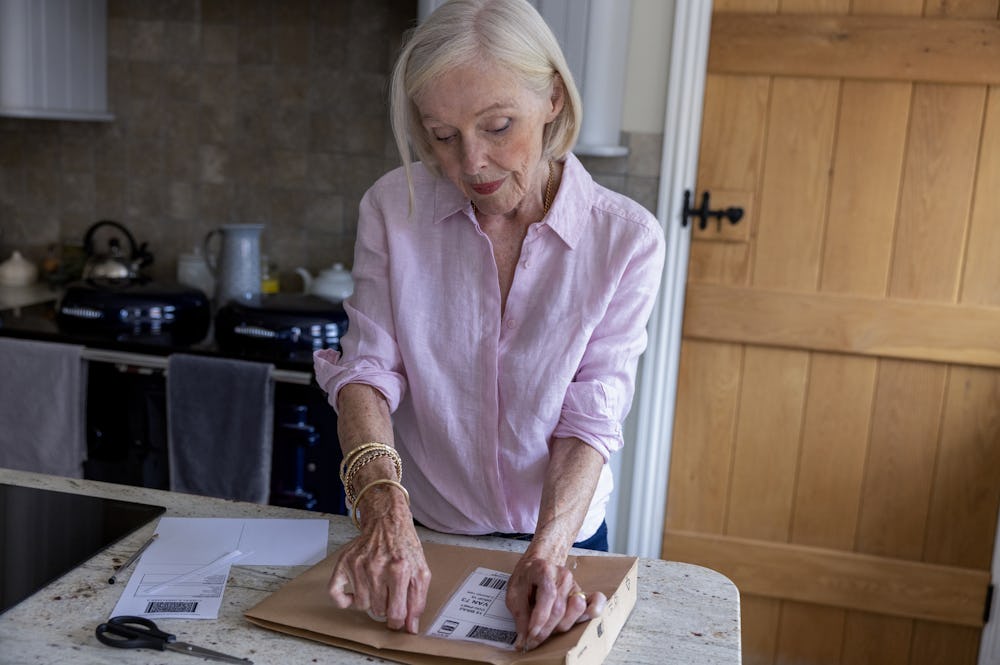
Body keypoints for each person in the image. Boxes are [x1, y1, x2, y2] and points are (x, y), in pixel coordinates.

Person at [314, 0, 665, 652]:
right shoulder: (393, 208)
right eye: (442, 135)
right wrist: (385, 511)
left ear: (553, 98)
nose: (470, 162)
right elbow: (365, 370)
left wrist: (549, 552)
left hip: (566, 537)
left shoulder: (625, 241)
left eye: (498, 125)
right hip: (420, 532)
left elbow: (588, 418)